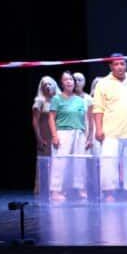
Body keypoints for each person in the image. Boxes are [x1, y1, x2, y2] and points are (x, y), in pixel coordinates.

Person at [94, 53, 127, 201]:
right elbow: (98, 109)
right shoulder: (103, 84)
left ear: (126, 65)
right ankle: (109, 193)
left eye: (122, 64)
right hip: (111, 131)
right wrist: (98, 129)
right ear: (110, 66)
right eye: (116, 64)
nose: (119, 67)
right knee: (109, 164)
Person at [48, 71, 89, 201]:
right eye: (65, 80)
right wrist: (54, 136)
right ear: (62, 83)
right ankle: (56, 191)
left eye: (71, 79)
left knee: (79, 162)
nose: (69, 82)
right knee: (60, 163)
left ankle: (80, 188)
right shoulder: (56, 99)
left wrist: (86, 136)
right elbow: (51, 118)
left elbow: (84, 119)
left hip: (79, 133)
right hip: (63, 133)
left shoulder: (80, 100)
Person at [32, 75, 58, 194]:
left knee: (57, 162)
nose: (47, 87)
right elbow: (35, 121)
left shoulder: (58, 99)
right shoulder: (39, 101)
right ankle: (42, 188)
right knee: (44, 162)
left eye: (49, 84)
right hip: (44, 134)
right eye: (45, 85)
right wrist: (39, 138)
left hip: (56, 134)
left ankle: (56, 188)